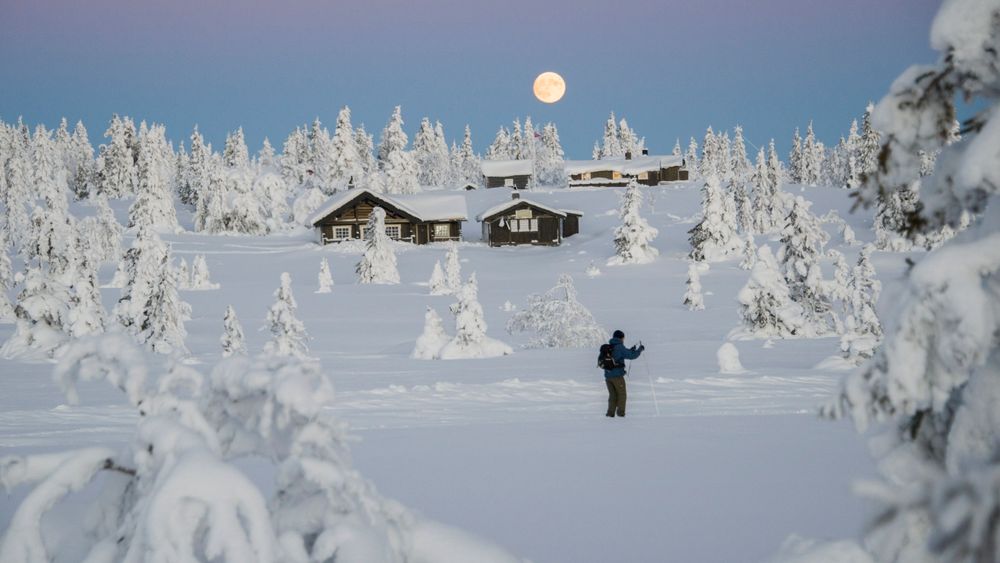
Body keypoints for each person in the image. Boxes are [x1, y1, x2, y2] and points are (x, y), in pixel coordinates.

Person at [602, 329, 644, 417]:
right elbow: (632, 356)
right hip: (617, 376)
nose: (623, 340)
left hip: (608, 376)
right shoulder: (620, 347)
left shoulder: (610, 346)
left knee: (612, 395)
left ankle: (610, 414)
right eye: (623, 338)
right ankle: (621, 414)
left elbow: (623, 353)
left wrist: (631, 350)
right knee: (622, 395)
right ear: (621, 338)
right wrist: (640, 350)